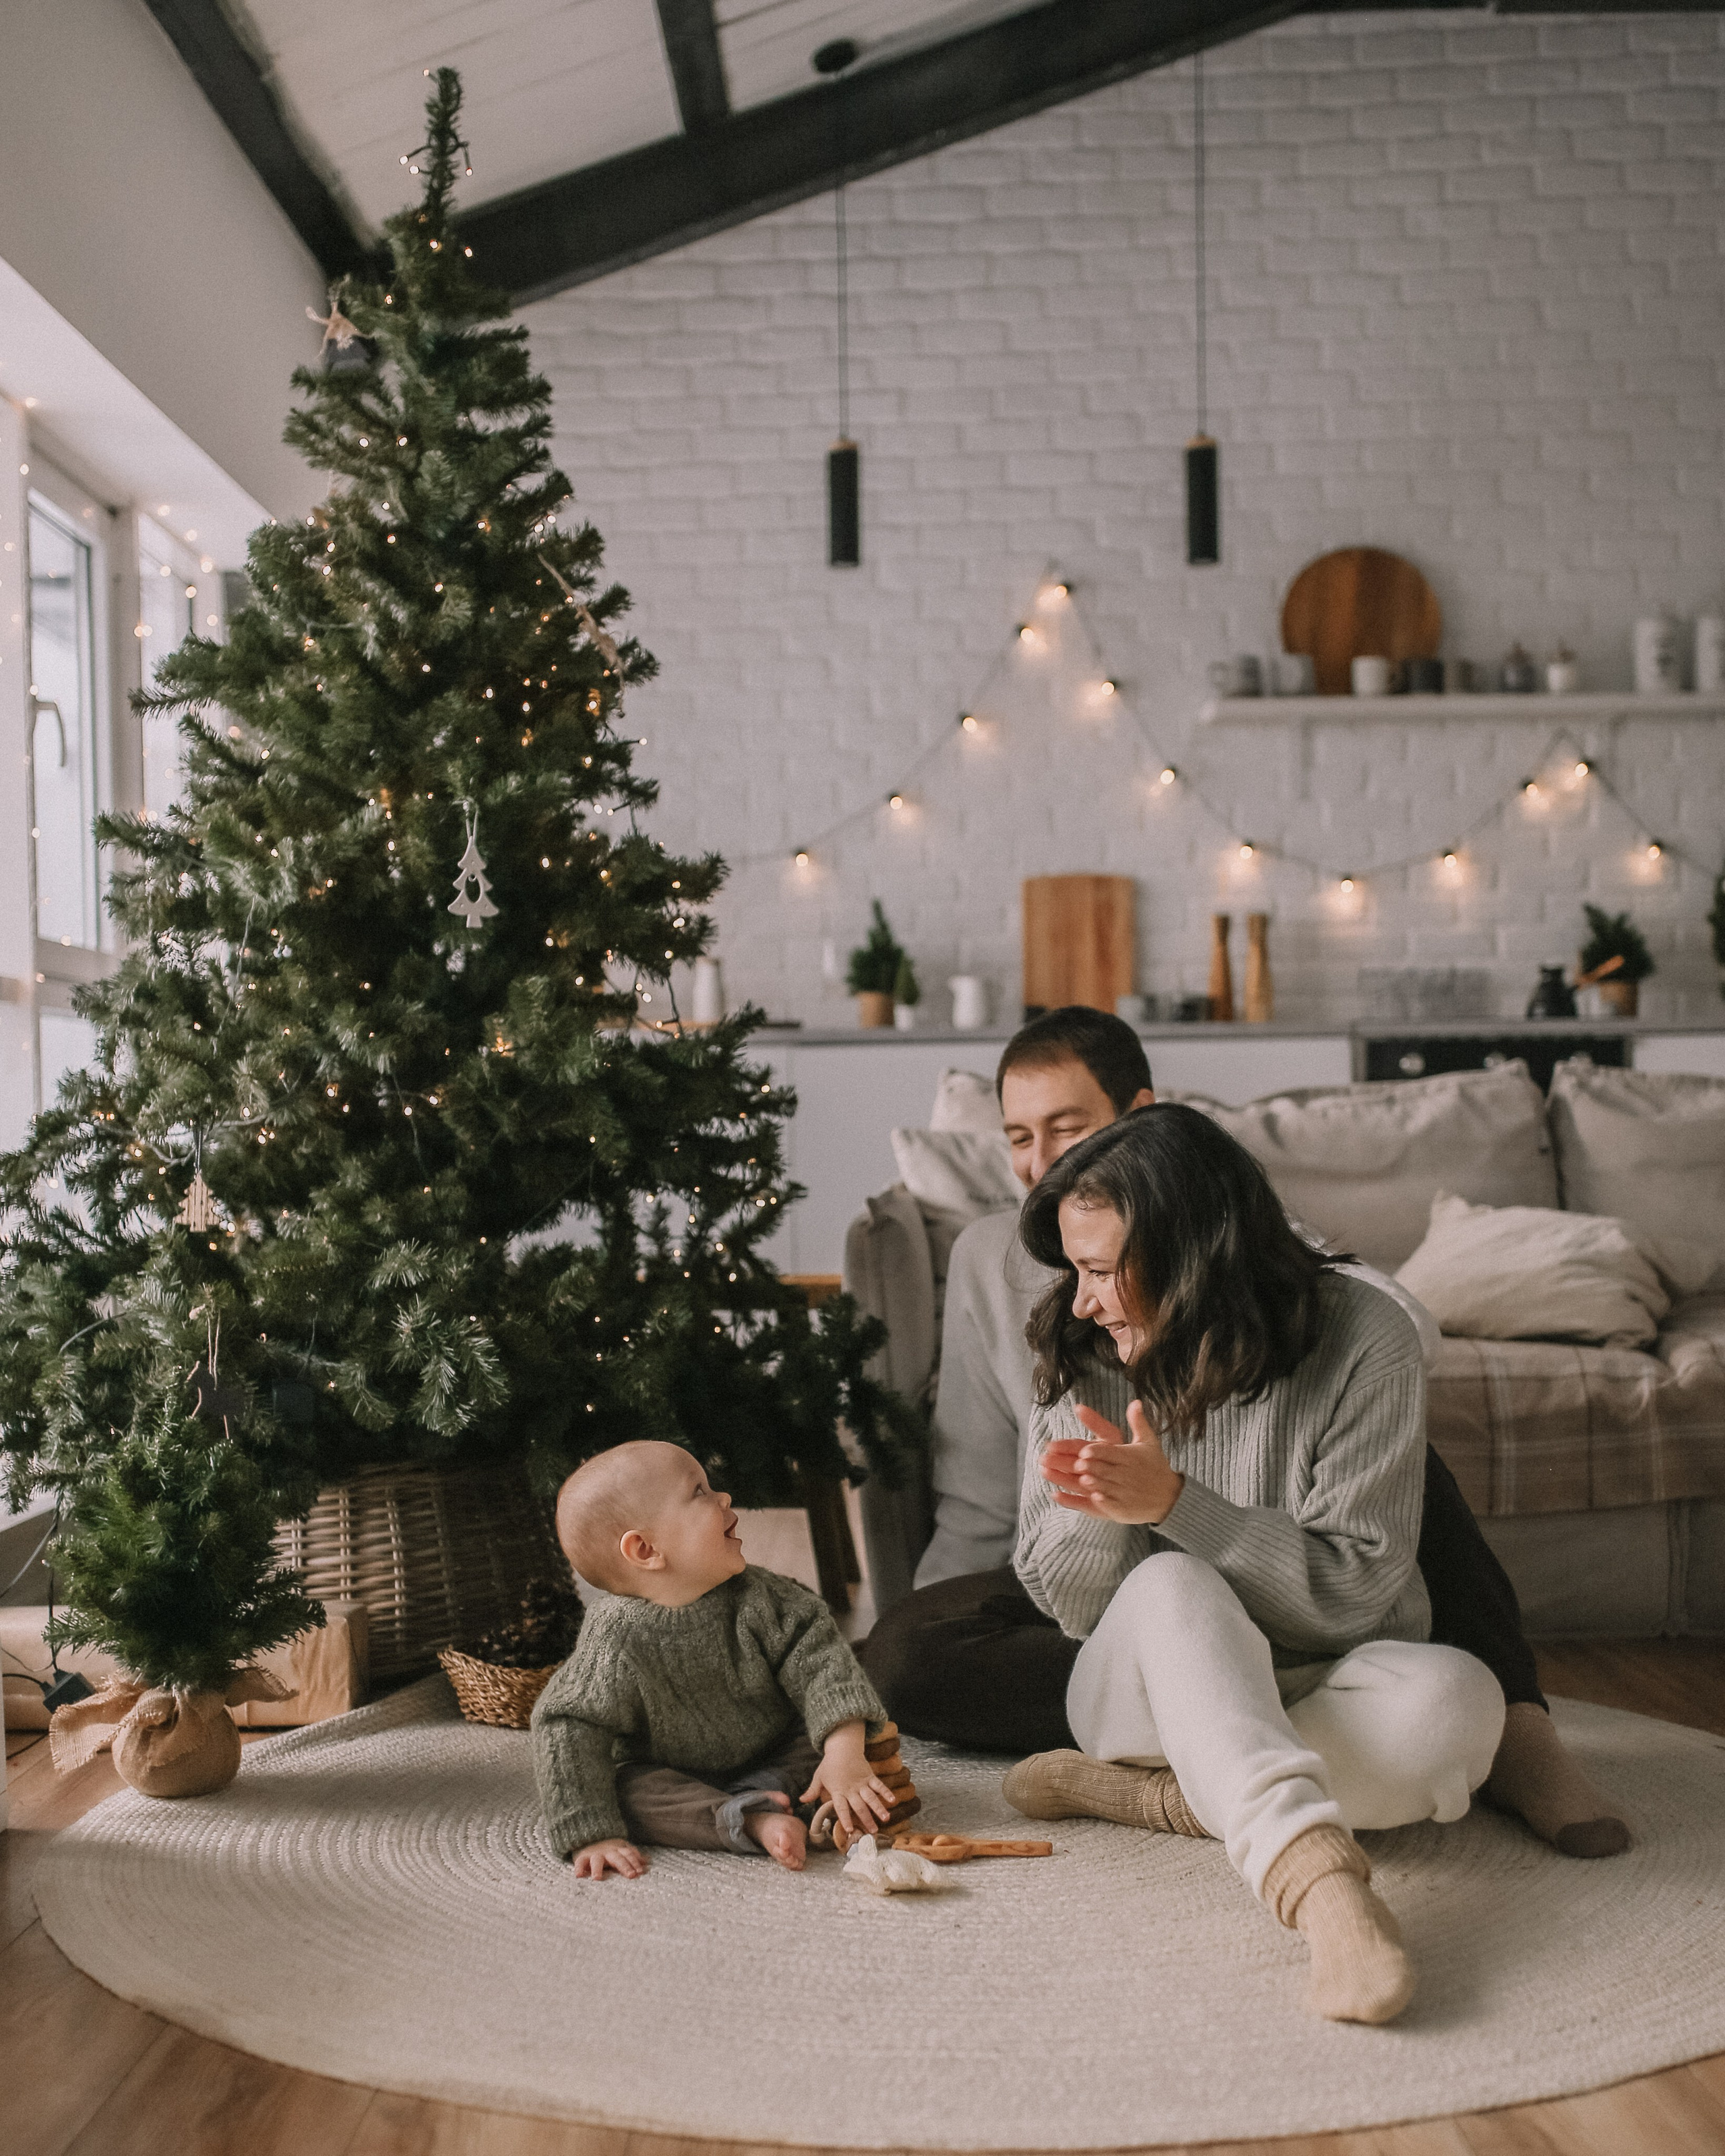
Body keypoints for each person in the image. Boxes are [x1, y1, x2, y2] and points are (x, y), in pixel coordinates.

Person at [860, 1007, 1630, 1859]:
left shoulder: (1256, 1249)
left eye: (1067, 1129)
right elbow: (980, 1480)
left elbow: (1382, 1334)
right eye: (1016, 1135)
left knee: (1454, 1687)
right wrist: (1086, 1516)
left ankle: (1177, 1777)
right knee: (918, 1650)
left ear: (1140, 1117)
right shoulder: (1023, 1282)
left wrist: (1188, 1480)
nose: (1041, 1158)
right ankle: (1251, 1761)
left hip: (1274, 1549)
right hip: (1113, 1582)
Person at [1003, 1104, 1507, 2022]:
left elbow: (1357, 1594)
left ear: (1194, 1259)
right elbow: (1071, 1608)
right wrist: (1115, 1509)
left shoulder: (1366, 1337)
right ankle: (1322, 1889)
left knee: (1460, 1707)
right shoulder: (1083, 1353)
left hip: (1328, 1673)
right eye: (1074, 1271)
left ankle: (1152, 1798)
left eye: (1102, 1271)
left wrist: (1179, 1505)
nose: (1080, 1301)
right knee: (1173, 1581)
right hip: (1143, 1695)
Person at [532, 1440, 896, 1876]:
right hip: (675, 1774)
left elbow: (825, 1666)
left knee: (834, 1733)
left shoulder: (765, 1599)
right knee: (620, 1788)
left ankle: (773, 1793)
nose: (724, 1497)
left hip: (775, 1750)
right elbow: (567, 1723)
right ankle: (751, 1820)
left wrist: (844, 1753)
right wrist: (590, 1833)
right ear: (646, 1550)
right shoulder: (614, 1637)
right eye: (699, 1492)